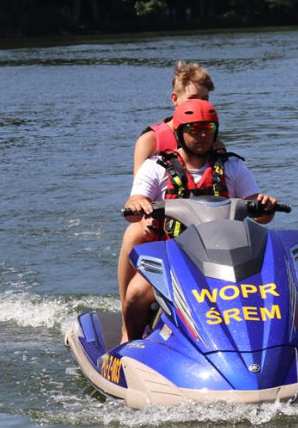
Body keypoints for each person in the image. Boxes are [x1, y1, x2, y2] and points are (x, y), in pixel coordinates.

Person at [119, 99, 278, 341]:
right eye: (194, 130)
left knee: (271, 289)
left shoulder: (232, 167)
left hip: (229, 256)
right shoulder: (156, 167)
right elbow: (134, 203)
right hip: (172, 256)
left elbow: (262, 216)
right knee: (136, 294)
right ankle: (130, 344)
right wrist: (137, 205)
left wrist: (266, 205)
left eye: (208, 130)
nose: (201, 136)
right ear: (180, 133)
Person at [131, 60, 225, 175]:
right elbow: (139, 187)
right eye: (193, 98)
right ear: (175, 99)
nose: (199, 104)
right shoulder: (150, 141)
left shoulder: (214, 144)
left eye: (204, 98)